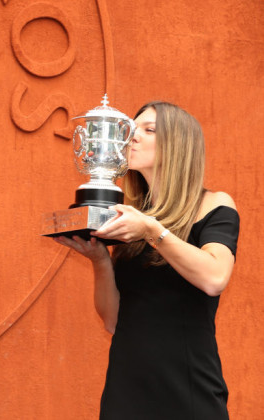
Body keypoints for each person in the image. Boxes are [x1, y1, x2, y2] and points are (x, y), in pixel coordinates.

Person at [54, 101, 240, 419]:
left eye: (148, 129)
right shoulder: (132, 216)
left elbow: (214, 278)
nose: (132, 136)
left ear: (179, 145)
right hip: (126, 390)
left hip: (188, 389)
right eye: (132, 128)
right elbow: (113, 320)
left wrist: (152, 229)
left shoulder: (213, 204)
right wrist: (99, 259)